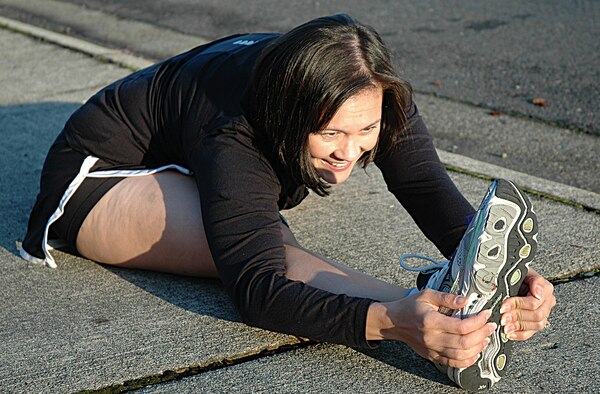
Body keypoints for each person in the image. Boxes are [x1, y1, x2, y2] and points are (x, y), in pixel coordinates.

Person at [19, 14, 555, 391]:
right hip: (98, 179)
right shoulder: (236, 132)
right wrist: (392, 321)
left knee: (278, 214)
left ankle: (450, 300)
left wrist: (511, 274)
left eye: (365, 130)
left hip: (188, 142)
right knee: (275, 246)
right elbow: (255, 287)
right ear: (294, 116)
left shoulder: (370, 87)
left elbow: (423, 186)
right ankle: (436, 310)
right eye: (330, 135)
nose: (350, 153)